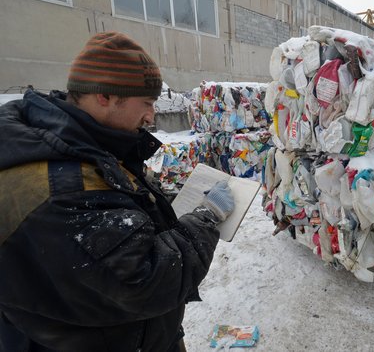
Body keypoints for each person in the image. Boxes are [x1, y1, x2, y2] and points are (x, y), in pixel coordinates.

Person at [0, 32, 235, 352]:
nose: (152, 116)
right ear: (105, 97)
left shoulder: (76, 144)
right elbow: (147, 279)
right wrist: (206, 218)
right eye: (147, 103)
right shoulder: (60, 187)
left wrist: (154, 198)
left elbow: (111, 209)